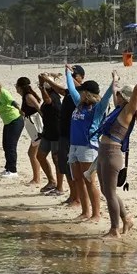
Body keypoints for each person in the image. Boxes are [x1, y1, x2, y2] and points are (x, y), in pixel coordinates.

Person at [64, 63, 115, 222]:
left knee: (89, 181)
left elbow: (107, 96)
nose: (80, 94)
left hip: (88, 148)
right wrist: (66, 72)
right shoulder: (79, 104)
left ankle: (96, 214)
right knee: (77, 179)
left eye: (83, 92)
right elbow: (71, 89)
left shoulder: (97, 109)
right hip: (74, 147)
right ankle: (85, 212)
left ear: (88, 93)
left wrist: (114, 81)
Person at [98, 69, 137, 238]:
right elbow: (114, 93)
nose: (116, 96)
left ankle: (114, 229)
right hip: (103, 153)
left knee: (109, 194)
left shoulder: (127, 111)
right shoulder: (119, 108)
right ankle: (126, 219)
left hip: (112, 154)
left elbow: (136, 92)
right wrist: (114, 80)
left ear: (125, 98)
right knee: (106, 191)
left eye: (119, 95)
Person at [39, 65, 85, 209]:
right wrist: (46, 80)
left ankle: (77, 198)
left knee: (73, 169)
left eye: (74, 75)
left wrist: (64, 77)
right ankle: (73, 196)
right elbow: (60, 90)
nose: (70, 78)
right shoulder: (69, 92)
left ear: (81, 78)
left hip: (72, 135)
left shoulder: (82, 92)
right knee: (65, 167)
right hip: (63, 134)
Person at [16, 76, 52, 188]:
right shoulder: (25, 97)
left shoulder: (28, 97)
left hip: (37, 129)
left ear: (20, 87)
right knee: (34, 154)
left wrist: (47, 125)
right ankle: (37, 178)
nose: (16, 89)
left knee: (33, 154)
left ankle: (37, 179)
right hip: (33, 130)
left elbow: (39, 110)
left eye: (16, 86)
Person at [36, 73, 63, 195]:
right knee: (40, 156)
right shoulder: (51, 94)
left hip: (56, 132)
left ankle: (60, 187)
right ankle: (52, 181)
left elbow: (47, 101)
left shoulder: (54, 96)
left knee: (56, 160)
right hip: (47, 131)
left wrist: (42, 87)